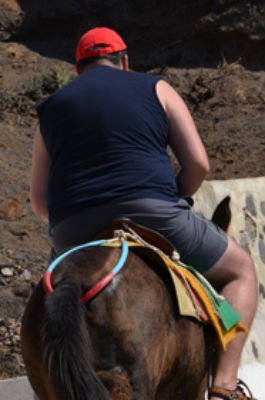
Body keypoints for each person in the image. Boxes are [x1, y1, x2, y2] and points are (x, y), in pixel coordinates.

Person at [30, 27, 258, 400]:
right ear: (124, 62)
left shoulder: (50, 109)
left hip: (74, 228)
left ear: (76, 70)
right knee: (241, 270)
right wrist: (176, 194)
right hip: (152, 214)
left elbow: (40, 203)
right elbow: (198, 164)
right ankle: (225, 388)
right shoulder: (157, 88)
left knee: (53, 296)